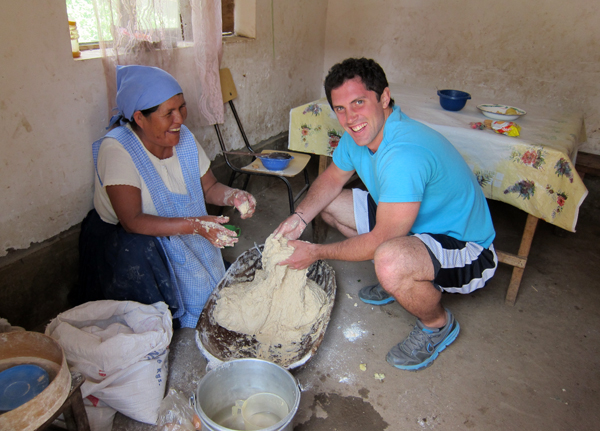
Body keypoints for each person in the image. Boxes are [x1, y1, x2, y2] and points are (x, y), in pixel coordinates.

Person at [274, 58, 497, 371]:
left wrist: (314, 252)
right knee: (326, 205)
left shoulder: (404, 153)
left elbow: (383, 237)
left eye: (359, 103)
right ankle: (400, 277)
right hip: (411, 224)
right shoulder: (360, 136)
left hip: (464, 246)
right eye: (340, 108)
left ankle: (437, 324)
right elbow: (332, 179)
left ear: (383, 97)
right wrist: (298, 219)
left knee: (389, 259)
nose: (350, 119)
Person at [79, 65, 256, 328]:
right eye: (168, 113)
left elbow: (209, 188)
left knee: (211, 281)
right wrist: (196, 225)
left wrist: (234, 196)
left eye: (181, 107)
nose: (180, 119)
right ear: (140, 118)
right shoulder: (117, 149)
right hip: (126, 243)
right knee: (147, 265)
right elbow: (132, 221)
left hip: (177, 227)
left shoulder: (182, 137)